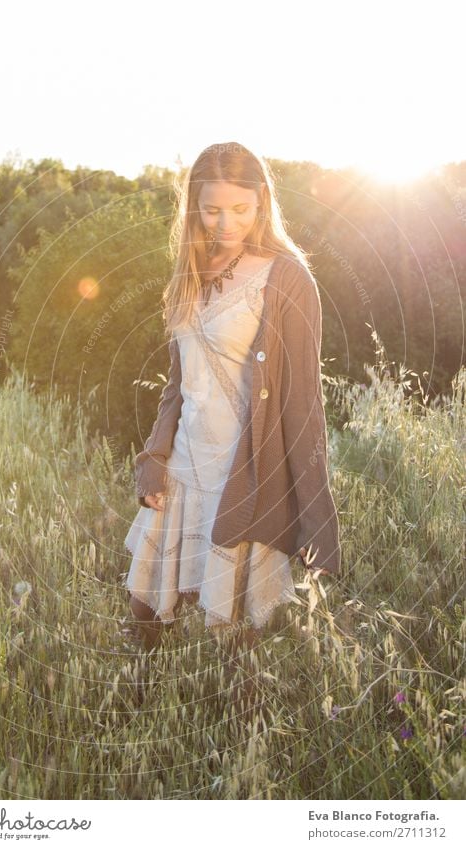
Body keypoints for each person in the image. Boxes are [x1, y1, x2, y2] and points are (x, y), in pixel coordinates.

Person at [122, 143, 341, 693]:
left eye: (241, 209)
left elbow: (303, 406)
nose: (226, 223)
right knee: (144, 617)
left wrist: (316, 515)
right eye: (212, 210)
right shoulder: (189, 272)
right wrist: (153, 455)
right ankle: (144, 731)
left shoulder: (287, 278)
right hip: (182, 471)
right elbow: (178, 385)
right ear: (193, 206)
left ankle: (243, 756)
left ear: (262, 203)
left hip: (242, 474)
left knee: (233, 641)